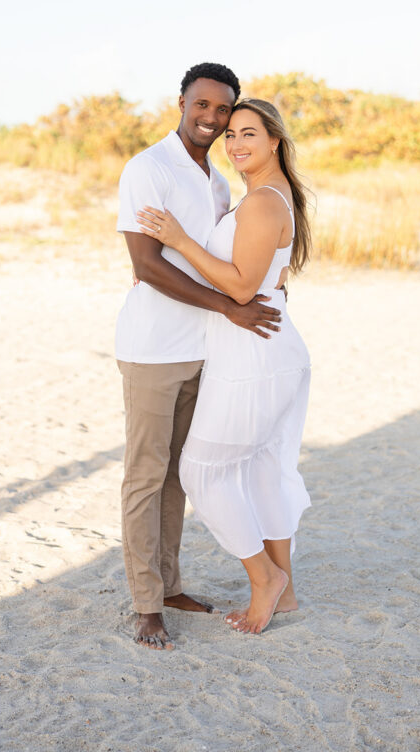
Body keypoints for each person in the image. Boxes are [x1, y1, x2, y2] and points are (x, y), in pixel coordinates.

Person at [116, 65, 283, 651]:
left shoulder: (215, 178)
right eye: (202, 105)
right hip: (152, 349)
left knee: (177, 478)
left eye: (223, 110)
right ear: (181, 102)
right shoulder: (147, 168)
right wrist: (228, 306)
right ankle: (145, 605)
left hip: (203, 348)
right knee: (144, 476)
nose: (212, 119)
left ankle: (170, 585)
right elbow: (147, 264)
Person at [137, 98, 312, 635]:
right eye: (230, 135)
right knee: (262, 468)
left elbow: (239, 285)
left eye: (248, 134)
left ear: (275, 140)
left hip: (254, 355)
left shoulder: (262, 202)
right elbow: (261, 279)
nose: (235, 144)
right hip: (263, 348)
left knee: (201, 471)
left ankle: (265, 580)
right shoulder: (266, 198)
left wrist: (179, 240)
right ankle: (284, 588)